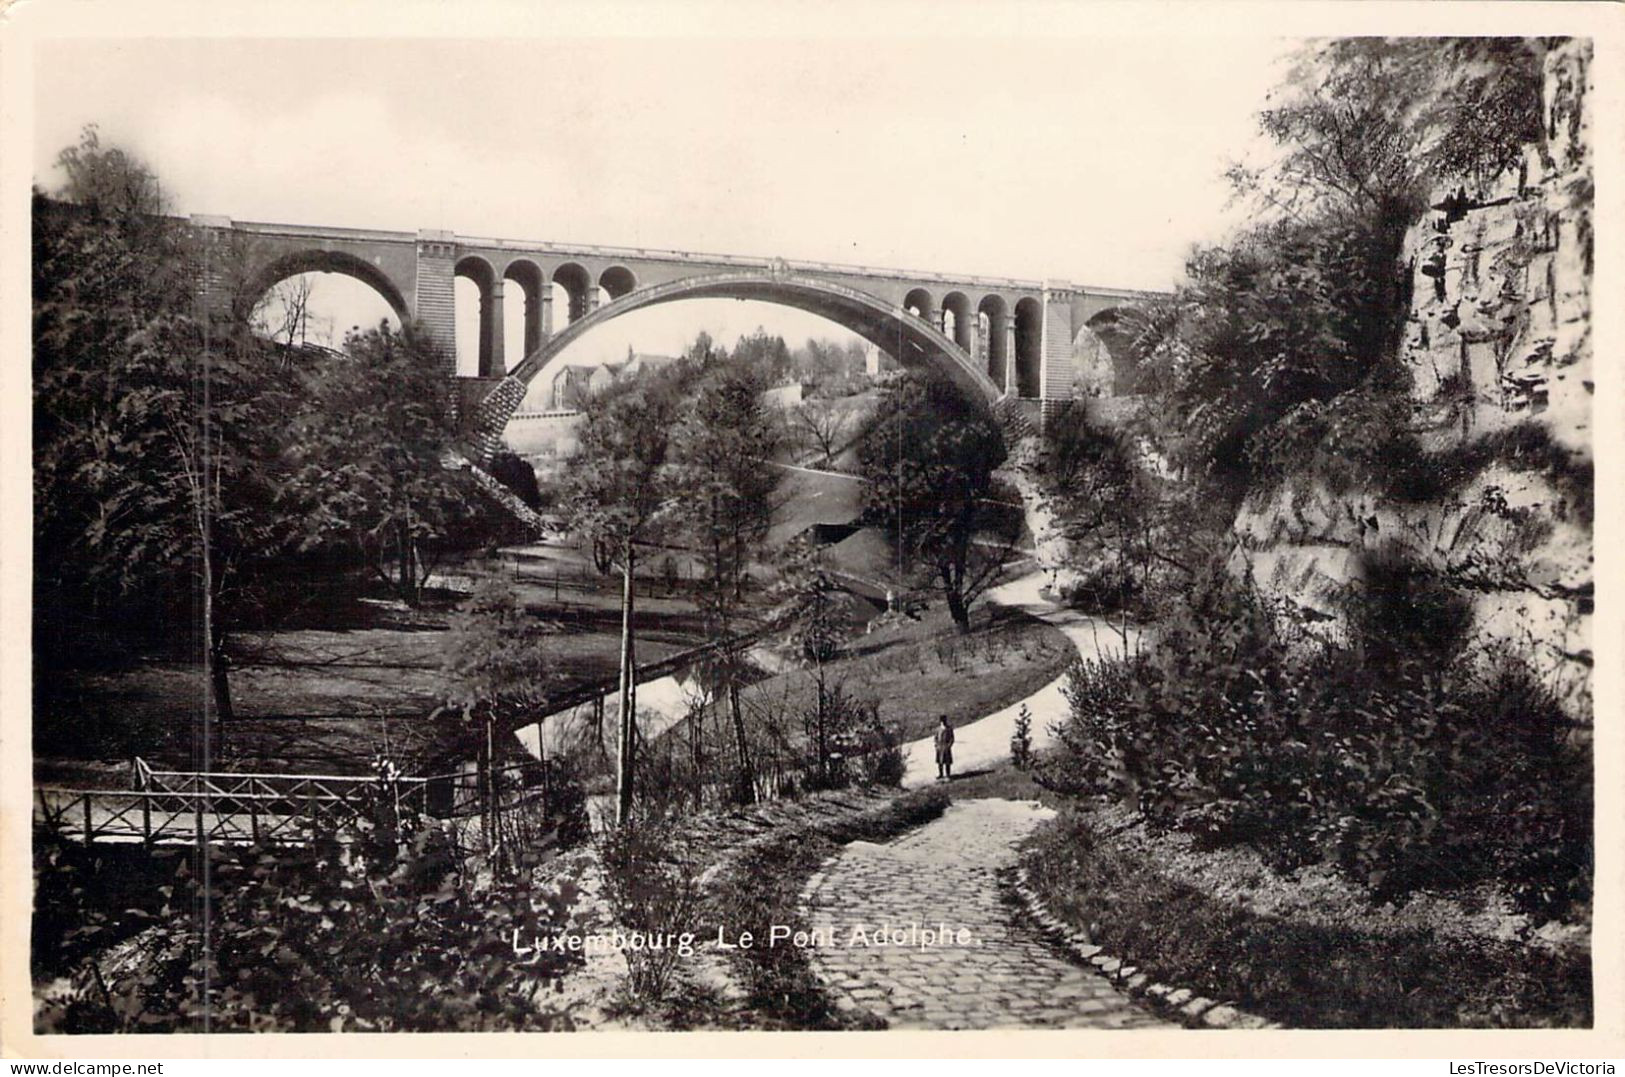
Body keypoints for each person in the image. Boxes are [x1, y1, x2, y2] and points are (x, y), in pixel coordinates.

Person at [934, 715, 954, 781]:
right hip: (939, 747)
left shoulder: (949, 729)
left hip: (946, 747)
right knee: (940, 762)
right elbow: (935, 738)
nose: (943, 723)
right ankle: (941, 774)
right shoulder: (938, 729)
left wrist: (949, 746)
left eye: (944, 721)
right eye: (942, 721)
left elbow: (952, 738)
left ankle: (948, 775)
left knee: (947, 762)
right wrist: (936, 745)